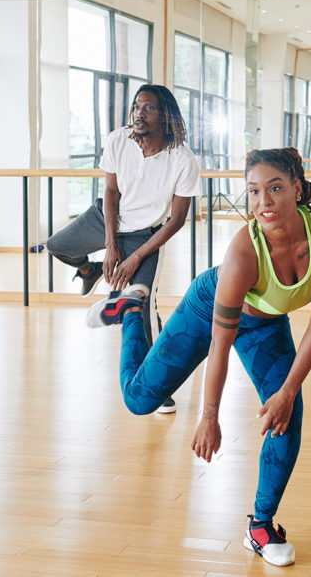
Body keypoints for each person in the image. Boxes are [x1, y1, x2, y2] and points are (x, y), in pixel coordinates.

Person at [89, 148, 311, 566]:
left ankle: (261, 526)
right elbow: (220, 345)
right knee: (138, 400)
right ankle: (133, 309)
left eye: (275, 188)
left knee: (288, 411)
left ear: (297, 189)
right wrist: (209, 415)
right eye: (254, 191)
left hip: (266, 323)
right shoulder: (245, 249)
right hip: (208, 305)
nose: (263, 201)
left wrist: (287, 391)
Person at [47, 85, 202, 413]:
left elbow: (176, 221)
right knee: (57, 245)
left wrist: (133, 257)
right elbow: (112, 191)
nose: (138, 114)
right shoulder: (118, 140)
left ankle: (156, 386)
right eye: (136, 107)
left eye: (147, 109)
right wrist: (109, 246)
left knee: (142, 308)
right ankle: (88, 274)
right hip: (107, 219)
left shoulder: (183, 160)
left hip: (145, 235)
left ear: (166, 116)